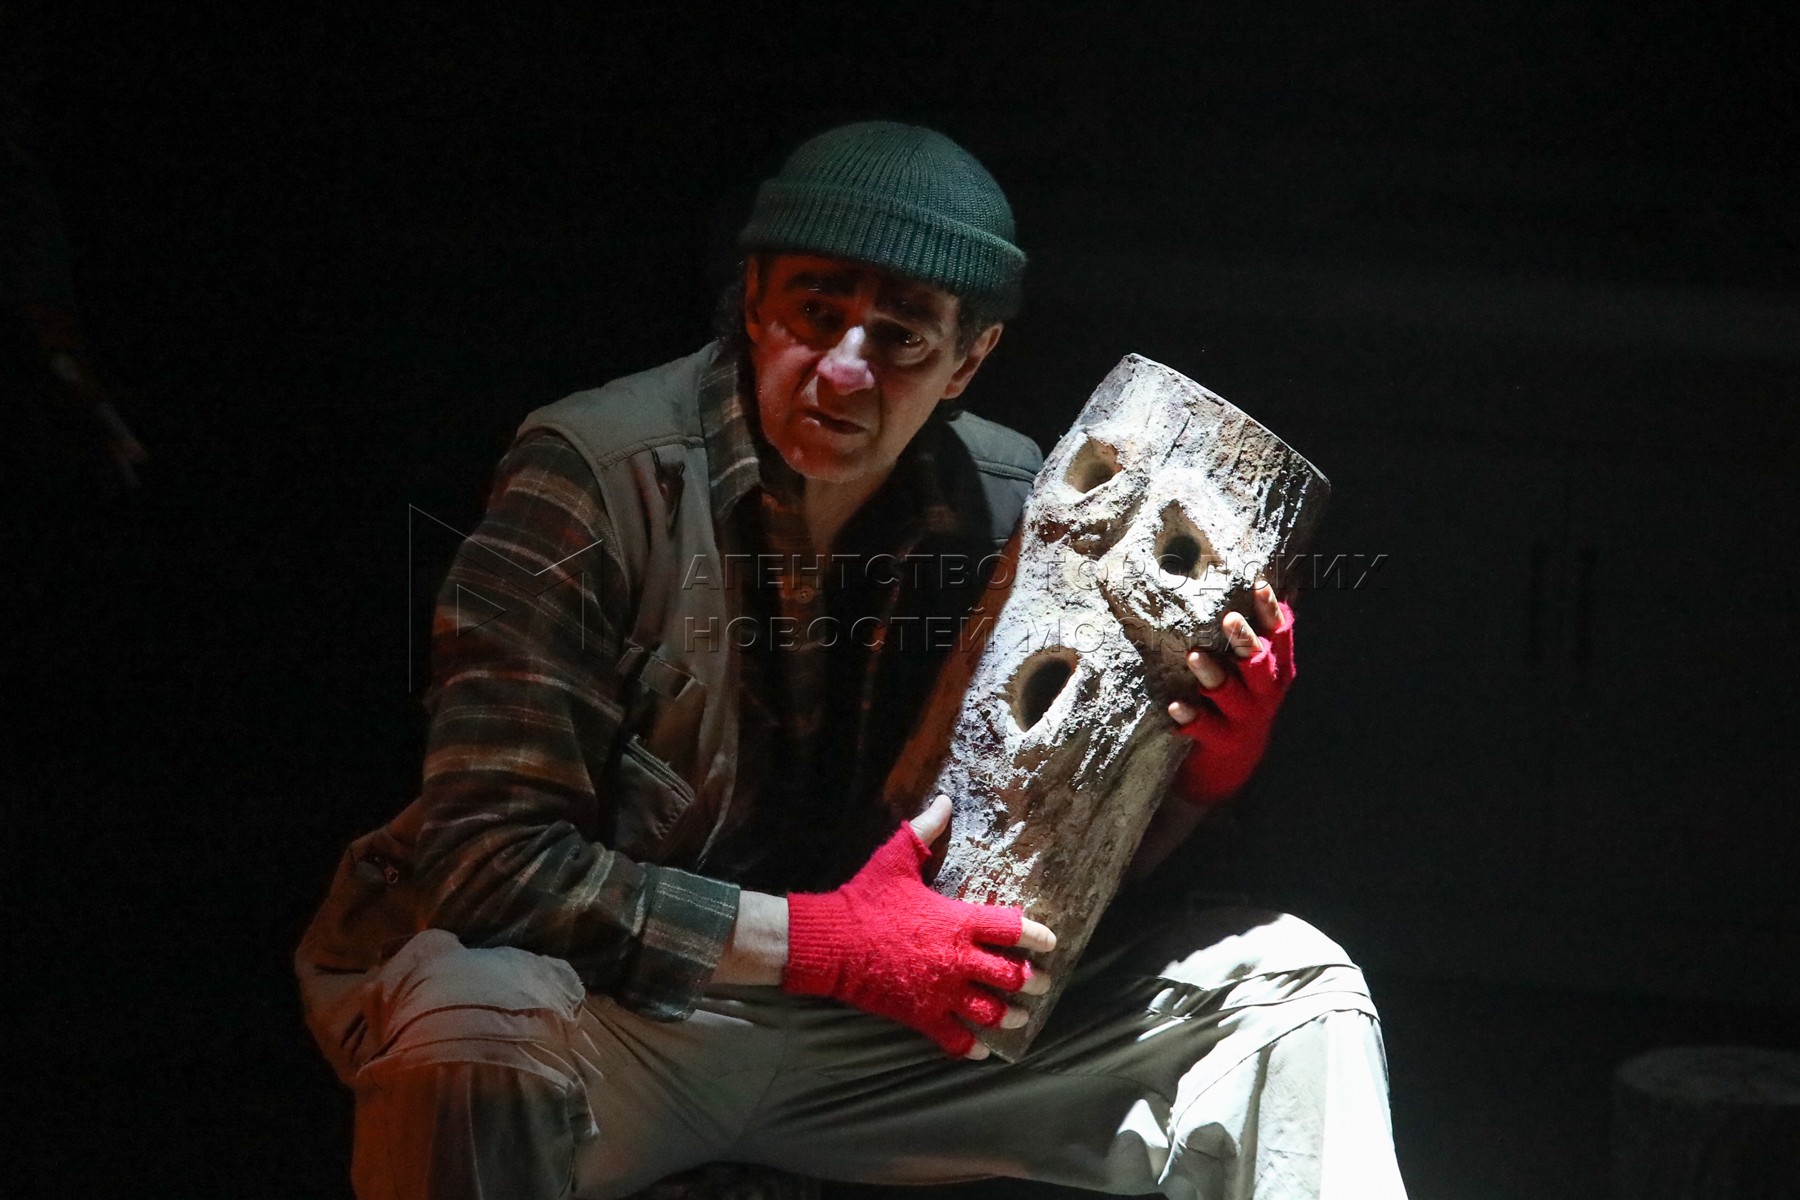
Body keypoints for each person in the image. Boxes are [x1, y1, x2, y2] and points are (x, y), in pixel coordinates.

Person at [296, 121, 1407, 1200]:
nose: (840, 370)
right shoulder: (594, 474)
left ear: (971, 358)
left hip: (875, 1045)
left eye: (901, 338)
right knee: (470, 1019)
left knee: (1293, 996)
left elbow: (1061, 888)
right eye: (814, 313)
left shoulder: (1029, 508)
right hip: (625, 1016)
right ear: (752, 300)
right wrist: (826, 944)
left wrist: (1204, 768)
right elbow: (490, 866)